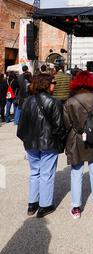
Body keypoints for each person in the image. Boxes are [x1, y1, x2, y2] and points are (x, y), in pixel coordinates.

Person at [17, 74, 66, 217]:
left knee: (35, 173)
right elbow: (59, 126)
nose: (54, 85)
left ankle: (32, 203)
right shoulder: (54, 102)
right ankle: (45, 205)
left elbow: (21, 127)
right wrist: (60, 140)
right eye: (53, 82)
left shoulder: (27, 102)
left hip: (31, 143)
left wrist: (26, 139)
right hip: (48, 143)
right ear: (46, 84)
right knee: (46, 174)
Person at [64, 71, 93, 219]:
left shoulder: (70, 101)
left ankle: (76, 207)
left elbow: (66, 124)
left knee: (76, 173)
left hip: (76, 139)